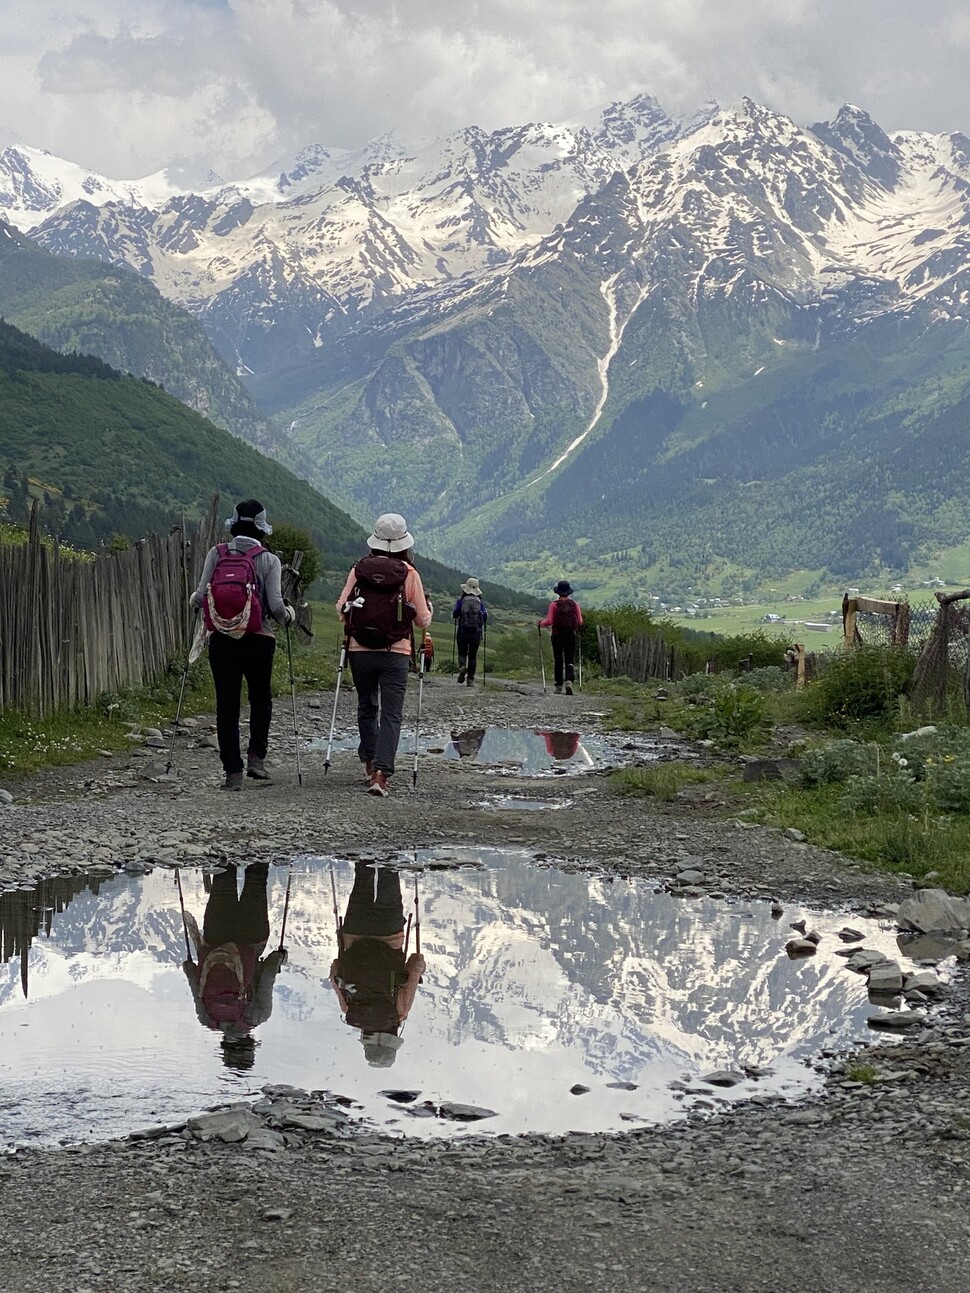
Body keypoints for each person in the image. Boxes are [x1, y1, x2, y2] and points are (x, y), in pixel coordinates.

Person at [190, 499, 296, 790]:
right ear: (261, 528)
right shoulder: (269, 560)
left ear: (234, 525)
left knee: (227, 706)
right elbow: (276, 607)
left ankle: (232, 773)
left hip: (223, 641)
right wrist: (289, 614)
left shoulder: (216, 553)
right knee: (261, 699)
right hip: (259, 641)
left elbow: (200, 596)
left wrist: (198, 603)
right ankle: (256, 759)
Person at [336, 513, 433, 797]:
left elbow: (342, 609)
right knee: (392, 713)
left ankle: (368, 761)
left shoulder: (359, 569)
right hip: (396, 652)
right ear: (403, 542)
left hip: (359, 650)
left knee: (367, 706)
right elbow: (423, 621)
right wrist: (427, 609)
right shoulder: (409, 573)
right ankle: (381, 773)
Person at [181, 862, 287, 1069]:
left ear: (250, 1043)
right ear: (224, 1045)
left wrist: (279, 958)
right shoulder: (207, 1018)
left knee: (256, 881)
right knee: (222, 880)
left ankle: (259, 839)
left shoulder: (258, 1016)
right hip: (216, 935)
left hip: (251, 937)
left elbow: (266, 977)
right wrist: (188, 966)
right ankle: (225, 842)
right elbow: (194, 978)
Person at [330, 864, 425, 1068]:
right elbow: (335, 968)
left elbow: (415, 964)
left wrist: (420, 967)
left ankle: (390, 840)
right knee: (362, 875)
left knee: (389, 871)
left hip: (388, 929)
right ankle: (361, 839)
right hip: (354, 928)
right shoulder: (349, 1009)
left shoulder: (399, 1011)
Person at [538, 580, 583, 695]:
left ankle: (558, 685)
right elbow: (580, 621)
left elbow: (549, 621)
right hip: (570, 635)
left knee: (558, 660)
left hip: (557, 635)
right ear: (569, 592)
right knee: (569, 659)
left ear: (558, 592)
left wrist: (540, 623)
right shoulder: (575, 604)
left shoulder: (554, 605)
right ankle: (569, 681)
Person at [452, 577, 487, 686]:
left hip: (463, 631)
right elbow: (485, 615)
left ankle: (462, 667)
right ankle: (470, 679)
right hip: (475, 633)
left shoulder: (461, 600)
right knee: (473, 656)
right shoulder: (480, 602)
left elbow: (455, 614)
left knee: (462, 652)